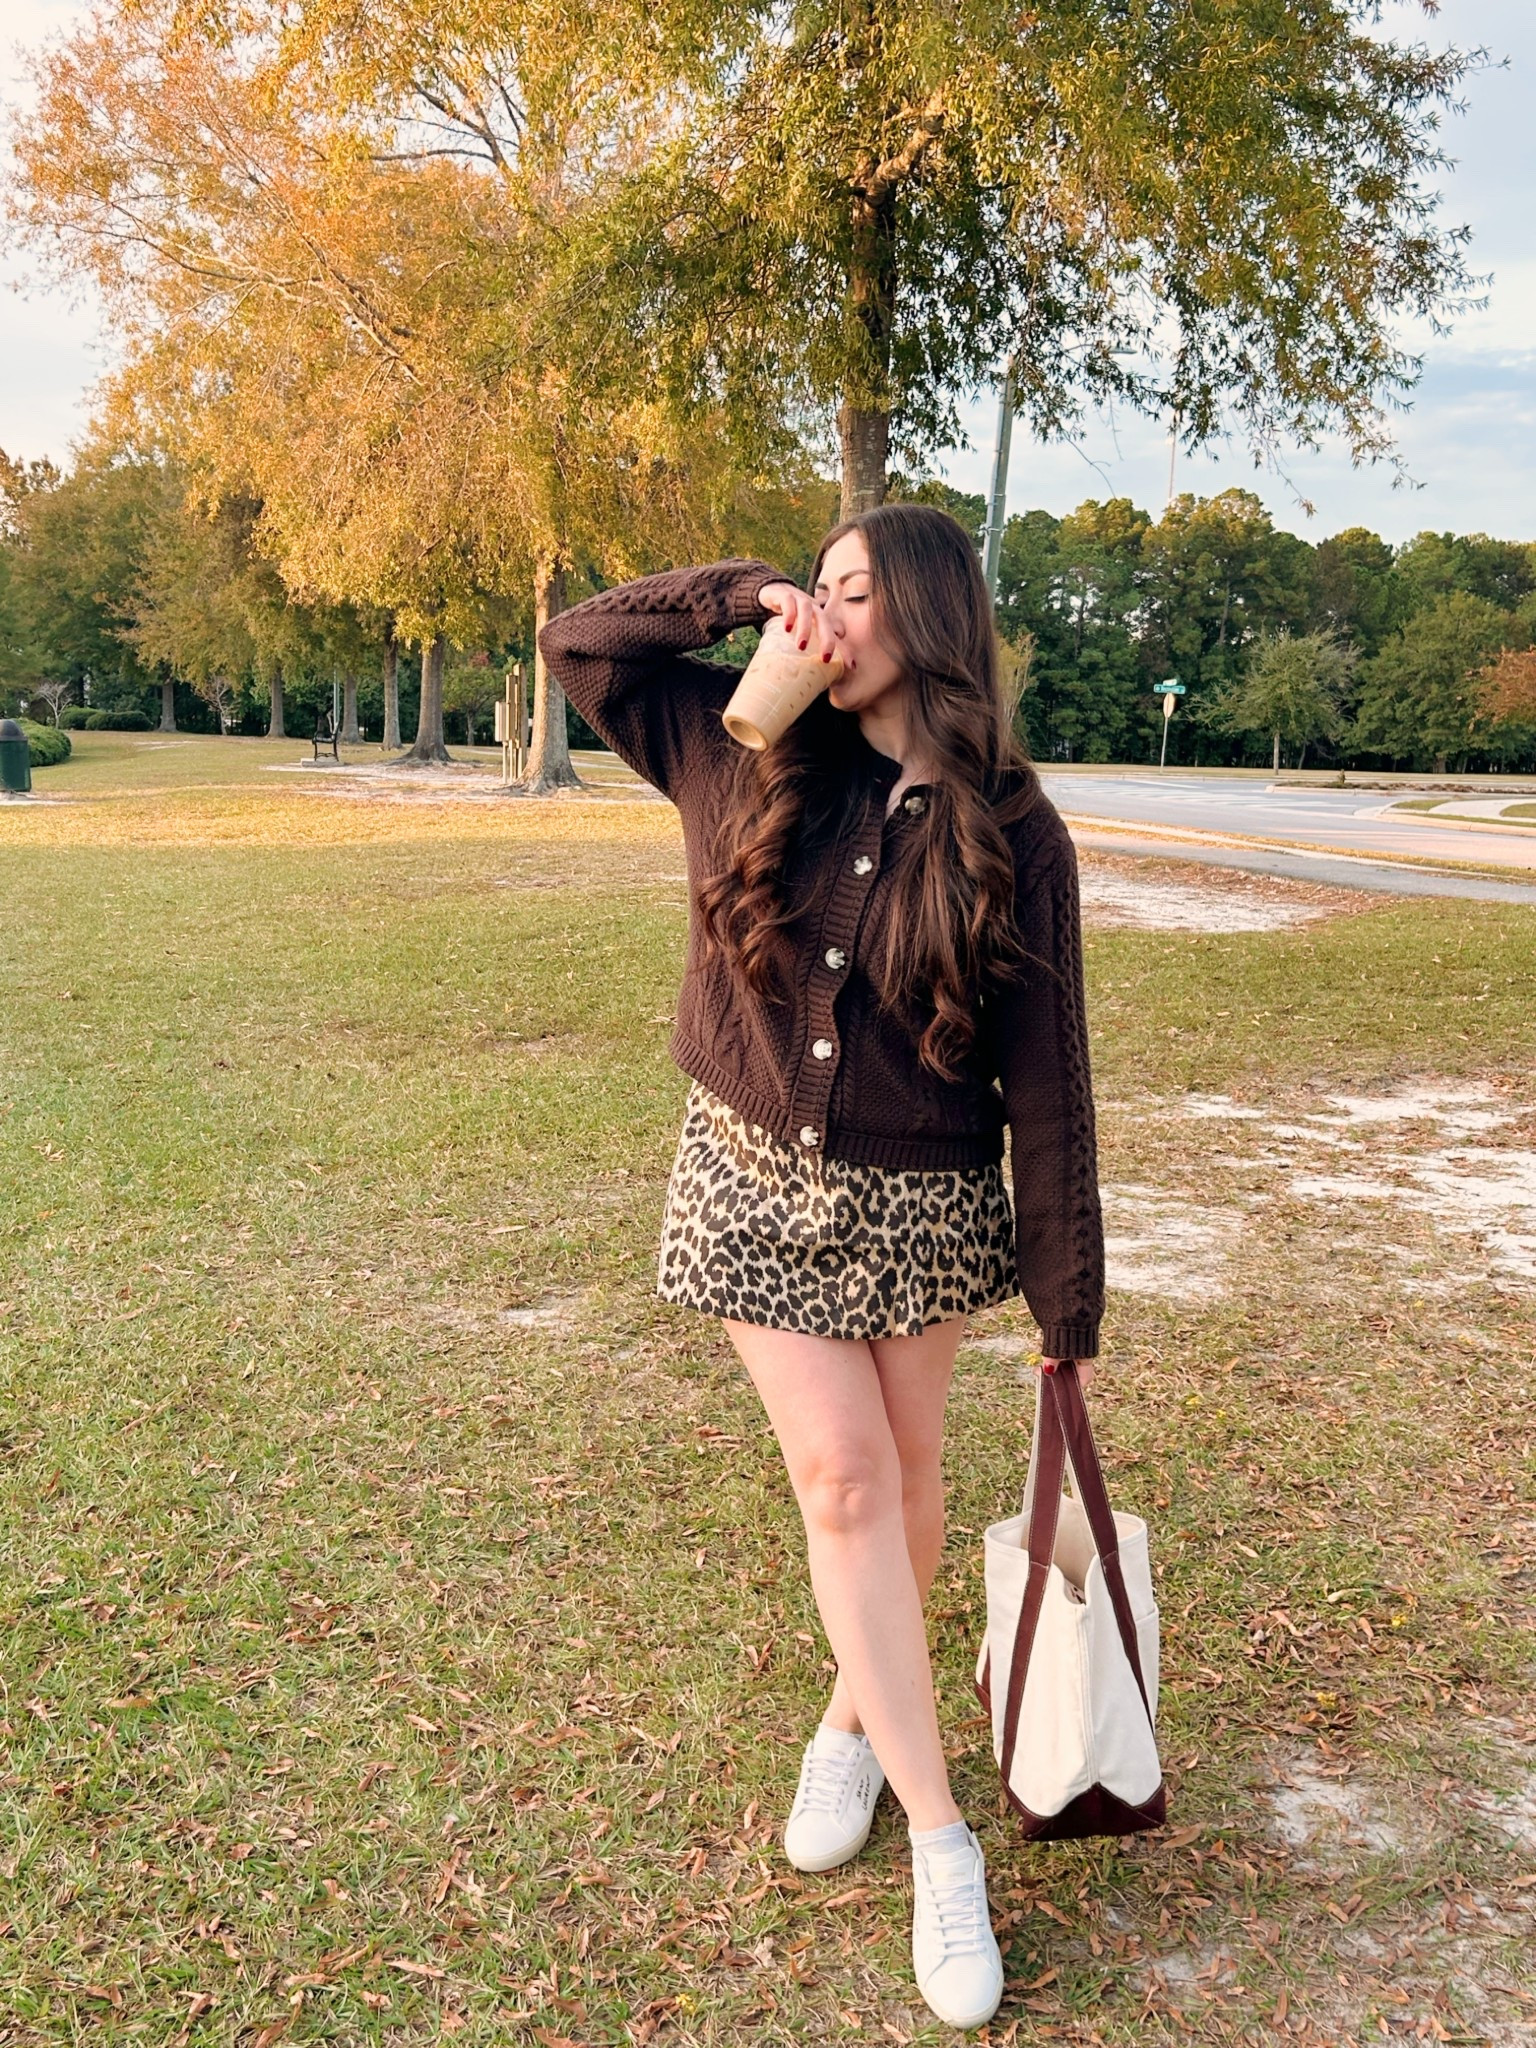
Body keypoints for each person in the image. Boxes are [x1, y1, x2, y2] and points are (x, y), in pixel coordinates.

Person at [539, 503, 1104, 2033]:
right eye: (821, 587)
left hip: (923, 1200)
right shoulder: (747, 753)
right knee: (847, 1480)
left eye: (855, 592)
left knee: (907, 1487)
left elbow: (1050, 1081)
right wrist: (748, 596)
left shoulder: (1015, 828)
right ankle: (942, 1839)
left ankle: (854, 1723)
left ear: (928, 614)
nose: (828, 615)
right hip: (746, 1180)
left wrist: (1068, 1305)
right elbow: (581, 644)